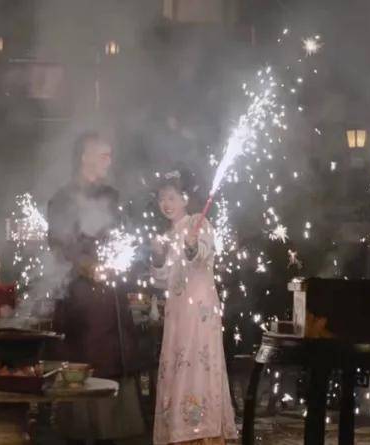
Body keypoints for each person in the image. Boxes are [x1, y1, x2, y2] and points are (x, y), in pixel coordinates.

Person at [48, 131, 145, 444]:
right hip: (79, 296)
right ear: (84, 157)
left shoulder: (113, 197)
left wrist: (125, 258)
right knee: (85, 357)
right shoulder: (63, 199)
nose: (109, 161)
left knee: (114, 357)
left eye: (110, 155)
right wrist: (87, 266)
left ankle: (113, 430)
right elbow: (60, 243)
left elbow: (126, 235)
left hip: (111, 296)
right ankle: (80, 430)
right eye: (103, 155)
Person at [149, 170, 237, 445]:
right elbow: (162, 279)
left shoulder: (199, 223)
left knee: (197, 364)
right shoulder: (166, 235)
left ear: (185, 198)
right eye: (162, 199)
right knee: (176, 364)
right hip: (176, 311)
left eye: (171, 197)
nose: (166, 204)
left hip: (199, 310)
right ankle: (177, 432)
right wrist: (157, 256)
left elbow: (204, 255)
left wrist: (191, 247)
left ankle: (202, 432)